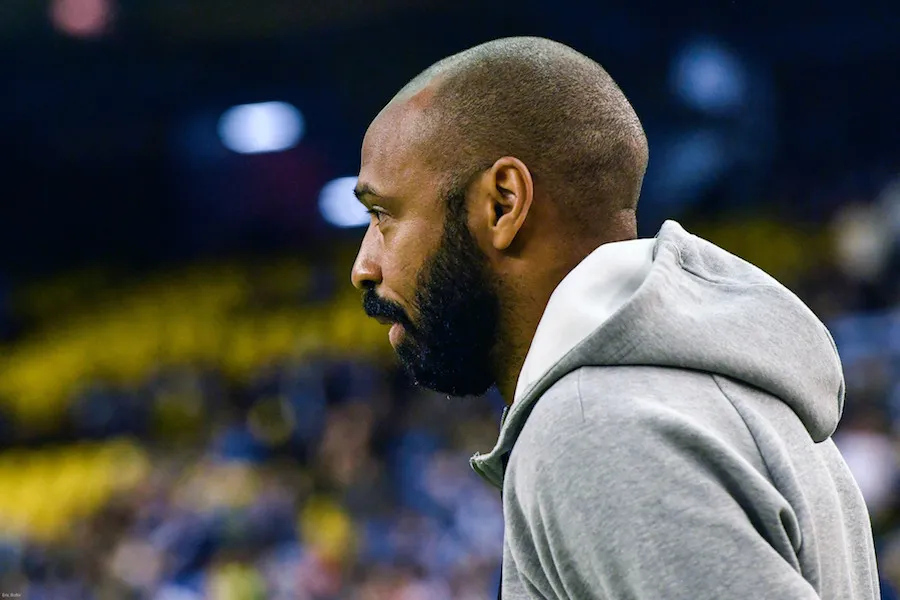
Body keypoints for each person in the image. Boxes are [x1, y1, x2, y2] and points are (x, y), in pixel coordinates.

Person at [349, 36, 879, 599]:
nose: (363, 266)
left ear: (503, 204)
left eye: (382, 215)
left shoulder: (590, 427)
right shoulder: (723, 392)